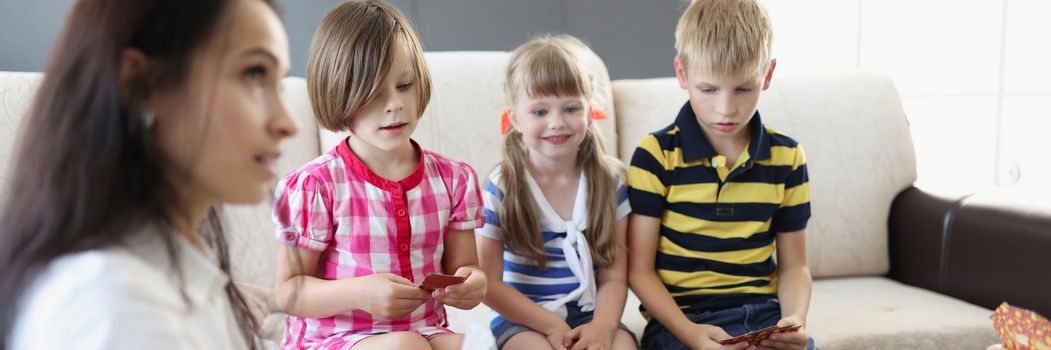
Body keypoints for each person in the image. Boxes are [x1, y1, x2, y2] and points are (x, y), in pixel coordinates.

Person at [0, 0, 297, 348]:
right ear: (141, 85)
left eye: (279, 84)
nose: (288, 124)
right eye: (254, 74)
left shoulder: (187, 274)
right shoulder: (114, 310)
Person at [271, 1, 487, 349]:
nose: (395, 104)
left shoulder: (453, 180)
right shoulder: (316, 186)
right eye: (374, 94)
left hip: (425, 330)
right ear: (340, 95)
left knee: (484, 346)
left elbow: (465, 267)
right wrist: (360, 292)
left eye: (404, 85)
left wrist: (472, 284)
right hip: (334, 338)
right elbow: (289, 291)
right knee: (405, 347)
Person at [626, 0, 817, 349]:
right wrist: (691, 334)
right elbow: (638, 270)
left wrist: (794, 321)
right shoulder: (655, 156)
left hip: (764, 317)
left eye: (744, 89)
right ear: (682, 74)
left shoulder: (787, 157)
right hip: (680, 324)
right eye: (708, 90)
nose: (726, 108)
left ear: (768, 75)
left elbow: (794, 267)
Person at [476, 34, 637, 350]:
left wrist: (602, 329)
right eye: (540, 112)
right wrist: (551, 326)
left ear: (590, 110)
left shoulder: (609, 182)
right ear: (514, 118)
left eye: (571, 108)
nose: (557, 122)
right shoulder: (502, 186)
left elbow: (614, 277)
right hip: (525, 319)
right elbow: (488, 284)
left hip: (592, 315)